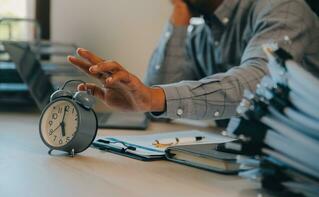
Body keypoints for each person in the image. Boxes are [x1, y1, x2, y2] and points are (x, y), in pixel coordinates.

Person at [68, 0, 319, 121]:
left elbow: (259, 81)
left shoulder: (282, 8)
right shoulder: (203, 33)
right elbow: (157, 106)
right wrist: (178, 17)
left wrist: (152, 97)